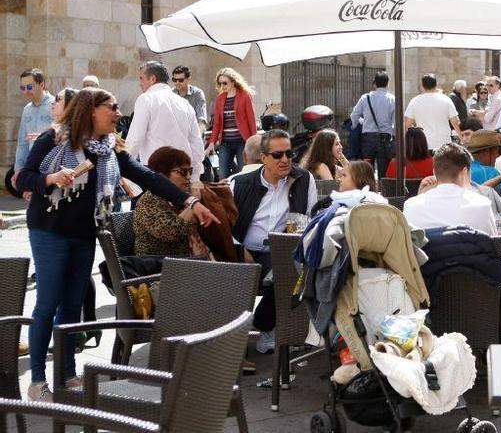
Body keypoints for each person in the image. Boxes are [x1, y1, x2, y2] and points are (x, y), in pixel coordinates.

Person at [17, 87, 218, 402]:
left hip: (84, 233)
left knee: (72, 305)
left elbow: (148, 176)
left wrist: (188, 199)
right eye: (112, 107)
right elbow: (23, 178)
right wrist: (51, 179)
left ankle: (68, 375)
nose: (118, 113)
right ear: (91, 109)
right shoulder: (54, 139)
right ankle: (38, 381)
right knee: (49, 302)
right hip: (49, 230)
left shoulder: (108, 148)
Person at [230, 129, 317, 353]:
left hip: (281, 250)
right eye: (278, 155)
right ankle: (235, 333)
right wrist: (240, 250)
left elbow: (309, 221)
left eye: (289, 154)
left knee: (288, 267)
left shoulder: (303, 180)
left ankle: (262, 327)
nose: (286, 160)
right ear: (263, 157)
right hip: (242, 250)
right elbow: (222, 227)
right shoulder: (239, 183)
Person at [126, 61, 206, 181]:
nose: (139, 83)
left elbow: (135, 139)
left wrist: (123, 167)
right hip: (182, 174)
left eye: (141, 78)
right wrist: (195, 177)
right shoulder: (184, 103)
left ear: (152, 79)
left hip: (156, 174)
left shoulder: (146, 99)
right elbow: (196, 142)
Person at [403, 143, 497, 235]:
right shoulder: (483, 205)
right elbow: (493, 242)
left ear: (434, 171)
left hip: (427, 250)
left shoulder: (411, 206)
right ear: (464, 172)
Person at [134, 147, 201, 257]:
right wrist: (193, 202)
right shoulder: (148, 201)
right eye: (183, 172)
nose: (189, 177)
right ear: (162, 175)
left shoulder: (179, 197)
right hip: (159, 267)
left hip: (183, 264)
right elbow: (171, 232)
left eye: (190, 171)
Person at [206, 67, 258, 179]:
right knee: (222, 176)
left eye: (225, 83)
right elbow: (217, 123)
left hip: (242, 142)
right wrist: (212, 143)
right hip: (225, 144)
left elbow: (251, 119)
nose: (222, 86)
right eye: (219, 84)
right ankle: (226, 196)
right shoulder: (220, 98)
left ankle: (242, 196)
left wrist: (254, 141)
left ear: (233, 82)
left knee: (244, 174)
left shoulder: (244, 95)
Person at [13, 69, 55, 188]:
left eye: (29, 87)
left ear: (42, 84)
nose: (25, 91)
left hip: (52, 169)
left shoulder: (56, 105)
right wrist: (19, 169)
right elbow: (22, 143)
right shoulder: (27, 110)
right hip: (32, 170)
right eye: (23, 88)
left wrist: (43, 138)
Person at [350, 71, 395, 179]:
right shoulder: (392, 99)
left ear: (374, 83)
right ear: (387, 83)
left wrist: (356, 125)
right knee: (383, 172)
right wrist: (392, 134)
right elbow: (396, 122)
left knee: (367, 170)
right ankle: (382, 192)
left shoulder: (365, 98)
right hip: (385, 139)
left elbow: (354, 116)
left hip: (368, 139)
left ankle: (368, 191)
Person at [404, 73, 461, 150]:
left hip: (423, 144)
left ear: (422, 86)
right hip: (444, 143)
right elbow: (455, 121)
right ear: (436, 84)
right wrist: (461, 136)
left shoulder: (414, 101)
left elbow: (407, 124)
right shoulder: (446, 99)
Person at [171, 65, 209, 131]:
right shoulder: (171, 93)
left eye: (181, 80)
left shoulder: (197, 93)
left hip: (193, 133)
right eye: (174, 80)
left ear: (188, 79)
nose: (177, 83)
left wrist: (199, 135)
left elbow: (201, 118)